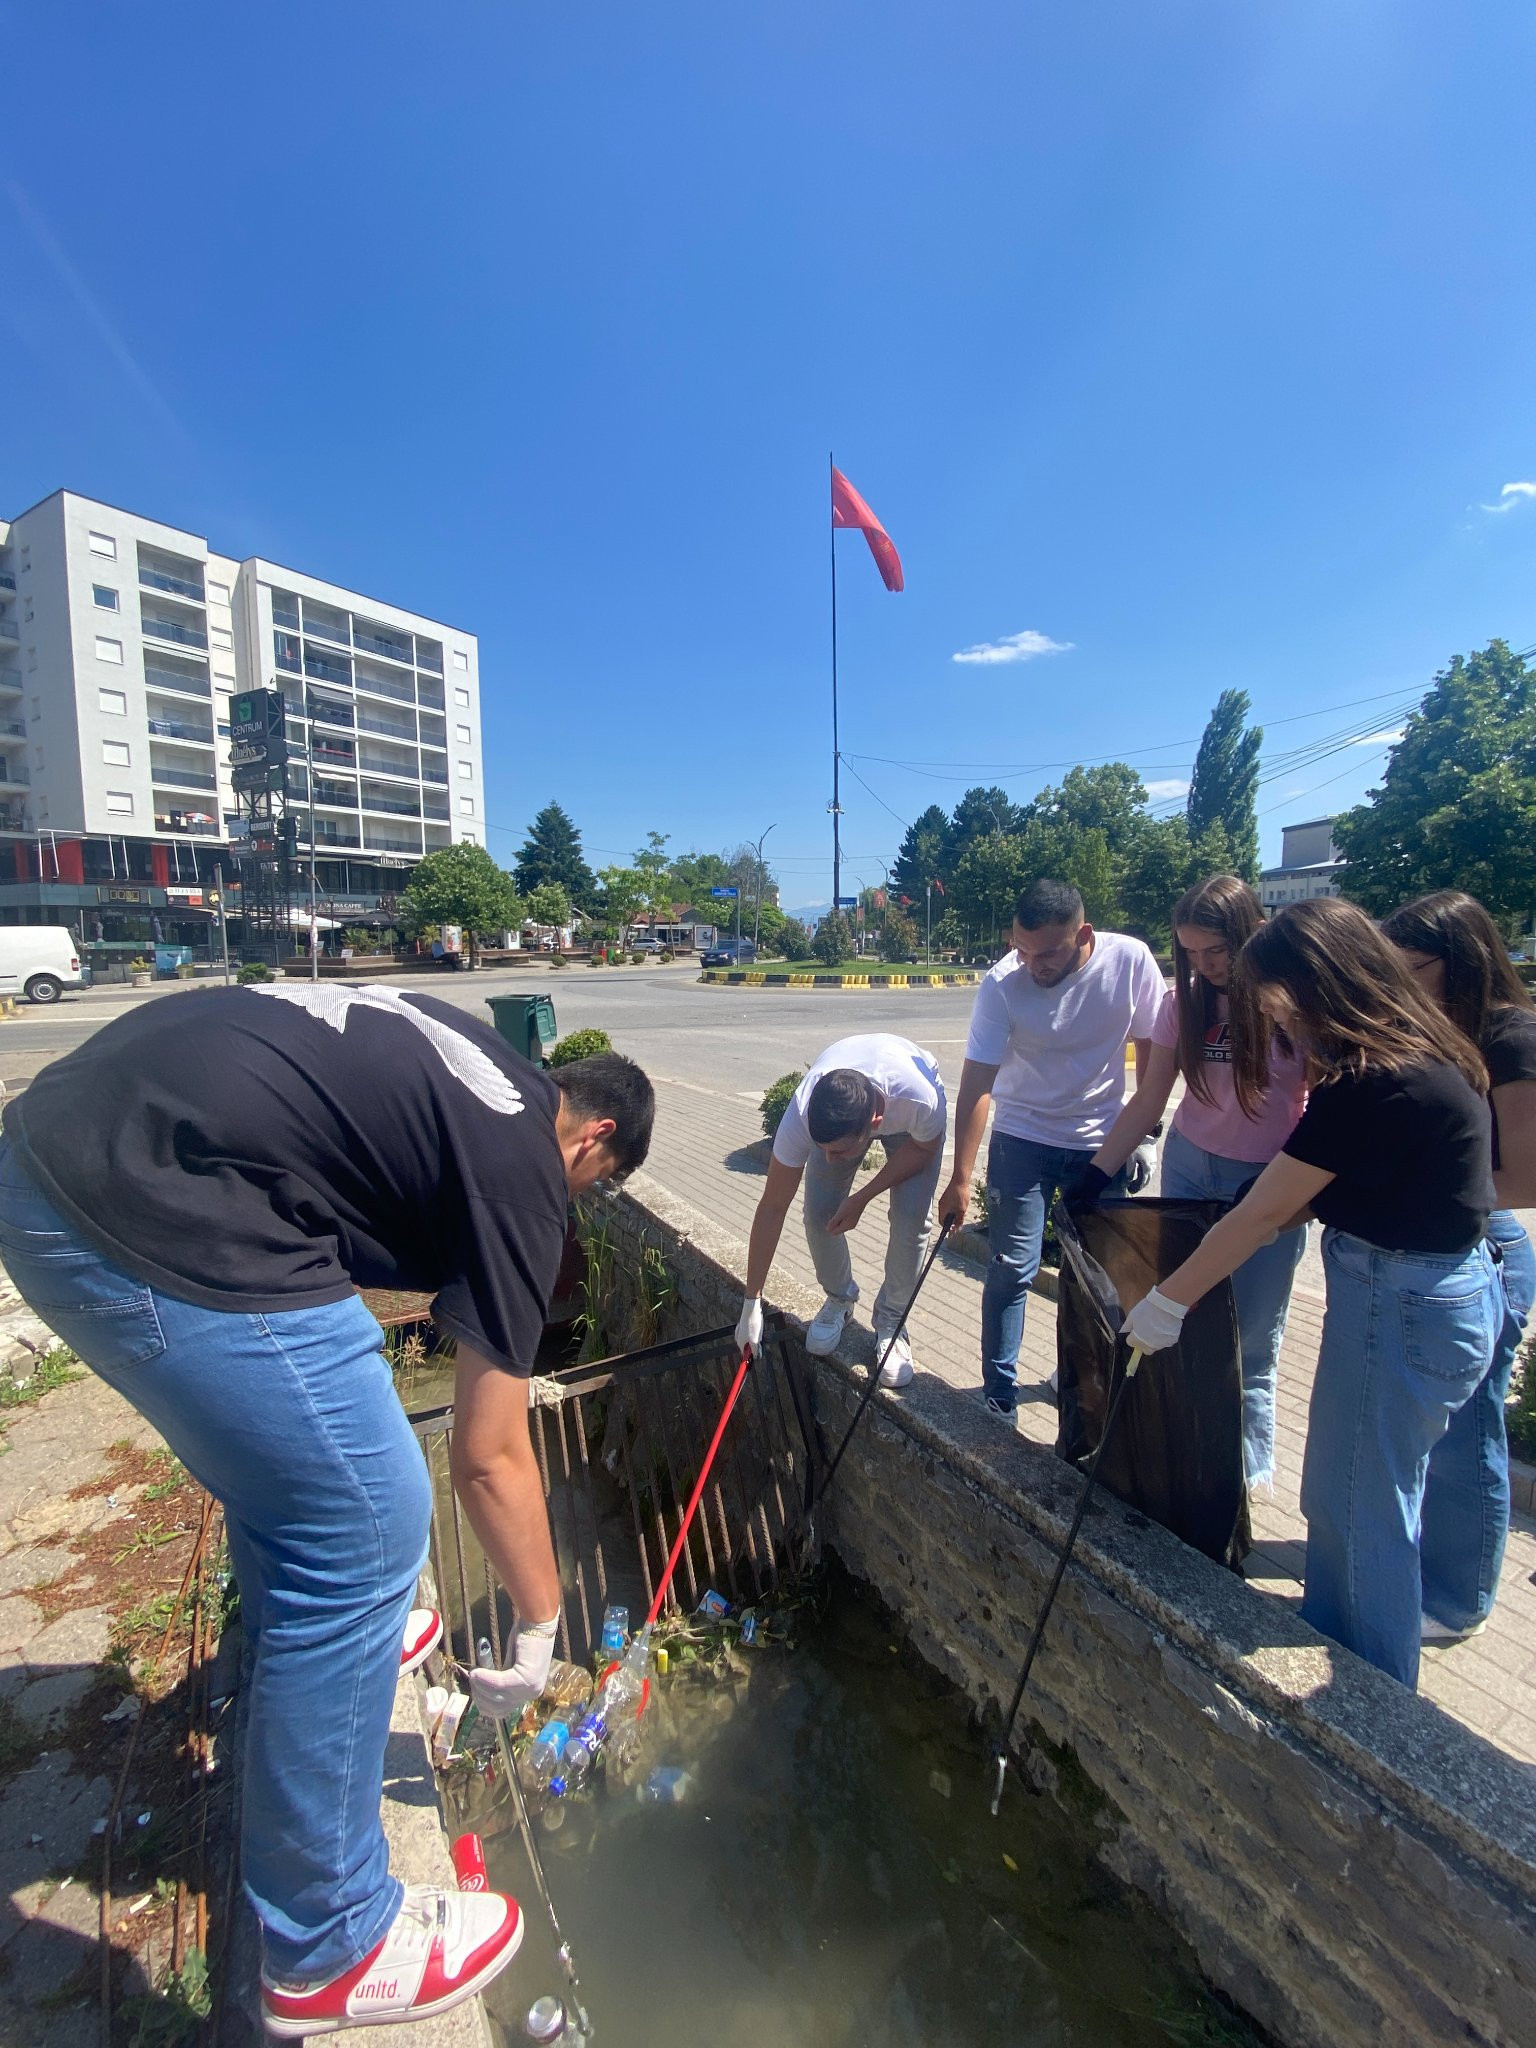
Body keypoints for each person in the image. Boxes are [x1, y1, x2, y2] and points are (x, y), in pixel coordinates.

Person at [0, 982, 654, 2036]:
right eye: (597, 1187)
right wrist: (540, 1625)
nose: (576, 1204)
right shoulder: (530, 1171)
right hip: (148, 1202)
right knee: (370, 1514)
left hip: (59, 1148)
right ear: (595, 1141)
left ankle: (313, 1632)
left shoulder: (474, 1063)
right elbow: (489, 1454)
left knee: (314, 1478)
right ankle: (331, 1939)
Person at [1121, 898, 1500, 1690]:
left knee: (1356, 1504)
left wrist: (1169, 1302)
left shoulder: (1367, 1082)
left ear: (1317, 981)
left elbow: (1264, 1211)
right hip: (1435, 1295)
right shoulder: (1426, 1046)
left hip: (1398, 1304)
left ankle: (1370, 1699)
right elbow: (1295, 1200)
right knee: (1362, 1491)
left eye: (1278, 998)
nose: (1272, 1015)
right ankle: (1337, 1633)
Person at [1080, 875, 1309, 1493]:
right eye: (1191, 953)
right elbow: (1151, 1095)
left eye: (1217, 951)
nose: (1205, 966)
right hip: (1189, 1167)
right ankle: (1184, 1460)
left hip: (1266, 1182)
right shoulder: (1182, 1004)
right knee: (1179, 1311)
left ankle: (1240, 1486)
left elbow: (1326, 1105)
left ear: (1251, 934)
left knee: (1252, 1339)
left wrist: (1298, 1189)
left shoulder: (1292, 1005)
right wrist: (1098, 1170)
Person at [936, 879, 1165, 1420]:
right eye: (1021, 948)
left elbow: (1155, 1058)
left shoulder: (1130, 962)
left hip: (1101, 1145)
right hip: (1022, 1139)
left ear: (1083, 934)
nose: (1032, 964)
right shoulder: (1002, 984)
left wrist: (1146, 1137)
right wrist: (961, 1176)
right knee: (1011, 1266)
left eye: (1048, 953)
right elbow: (977, 1085)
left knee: (1098, 1276)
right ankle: (999, 1395)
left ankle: (1082, 1383)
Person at [1380, 890, 1536, 1641]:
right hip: (1448, 1238)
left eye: (1413, 970)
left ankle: (1459, 1599)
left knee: (1472, 1434)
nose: (1405, 986)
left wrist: (1421, 1192)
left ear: (1461, 958)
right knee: (1438, 1434)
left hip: (1487, 1246)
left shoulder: (1510, 1037)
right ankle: (1426, 1570)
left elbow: (1529, 1174)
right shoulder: (1444, 1027)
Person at [735, 1033, 946, 1384]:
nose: (830, 1160)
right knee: (820, 1215)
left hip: (912, 1131)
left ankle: (892, 1322)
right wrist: (751, 1303)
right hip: (853, 1107)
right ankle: (839, 1300)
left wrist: (861, 1197)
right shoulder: (803, 1113)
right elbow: (772, 1206)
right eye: (823, 1149)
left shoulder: (920, 1099)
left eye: (840, 1152)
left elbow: (923, 1150)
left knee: (911, 1220)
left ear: (874, 1126)